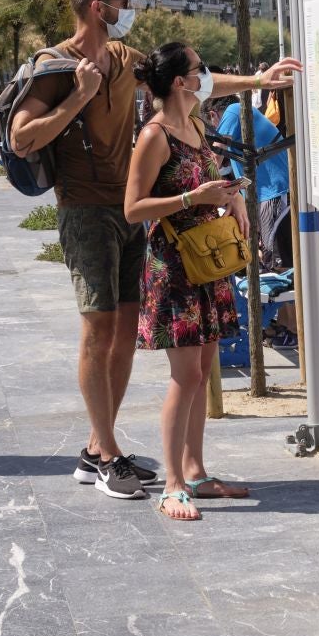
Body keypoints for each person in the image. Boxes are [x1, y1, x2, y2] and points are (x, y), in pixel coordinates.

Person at [10, 0, 300, 500]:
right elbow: (21, 137)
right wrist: (77, 98)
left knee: (121, 330)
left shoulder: (123, 59)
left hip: (132, 216)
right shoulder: (55, 66)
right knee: (97, 330)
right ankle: (108, 455)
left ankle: (100, 448)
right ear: (100, 7)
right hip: (86, 211)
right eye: (124, 0)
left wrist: (258, 82)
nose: (131, 7)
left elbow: (186, 81)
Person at [125, 42, 250, 521]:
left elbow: (211, 178)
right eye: (200, 69)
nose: (207, 74)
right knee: (186, 375)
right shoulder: (154, 136)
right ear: (180, 81)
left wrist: (231, 197)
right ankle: (173, 484)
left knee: (205, 369)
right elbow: (133, 208)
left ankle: (195, 471)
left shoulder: (196, 123)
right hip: (175, 264)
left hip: (208, 261)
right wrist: (190, 198)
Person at [216, 98, 297, 347]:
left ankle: (294, 329)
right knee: (273, 262)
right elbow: (246, 173)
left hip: (275, 191)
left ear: (215, 109)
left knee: (281, 266)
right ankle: (283, 324)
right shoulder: (244, 119)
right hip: (266, 191)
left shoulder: (233, 110)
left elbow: (215, 155)